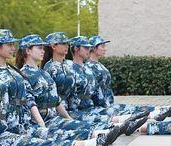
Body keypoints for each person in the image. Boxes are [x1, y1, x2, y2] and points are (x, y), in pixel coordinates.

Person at [17, 34, 148, 137]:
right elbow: (31, 102)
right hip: (54, 116)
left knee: (90, 124)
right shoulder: (39, 70)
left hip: (63, 113)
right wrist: (42, 124)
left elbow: (55, 99)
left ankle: (131, 125)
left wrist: (66, 117)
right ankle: (114, 132)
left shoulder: (46, 71)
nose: (42, 50)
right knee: (84, 128)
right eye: (39, 48)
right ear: (28, 50)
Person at [86, 35, 171, 118]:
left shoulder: (99, 65)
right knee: (129, 110)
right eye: (102, 46)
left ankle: (161, 109)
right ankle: (158, 113)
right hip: (102, 106)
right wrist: (105, 106)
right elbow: (93, 91)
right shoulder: (89, 67)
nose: (105, 49)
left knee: (132, 107)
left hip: (109, 104)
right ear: (94, 48)